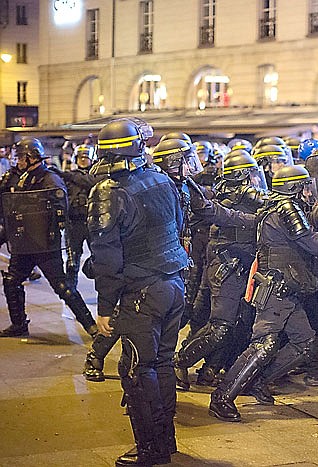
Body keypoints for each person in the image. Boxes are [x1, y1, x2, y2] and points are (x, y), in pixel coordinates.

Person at [208, 164, 318, 422]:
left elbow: (304, 225)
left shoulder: (278, 205)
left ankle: (258, 381)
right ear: (295, 187)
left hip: (286, 289)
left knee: (304, 342)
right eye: (305, 186)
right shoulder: (286, 208)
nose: (308, 191)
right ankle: (222, 396)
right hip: (277, 290)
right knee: (264, 343)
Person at [87, 119, 190, 466]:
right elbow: (177, 225)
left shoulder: (108, 191)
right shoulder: (161, 178)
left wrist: (104, 305)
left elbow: (106, 257)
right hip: (174, 283)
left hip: (142, 293)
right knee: (161, 364)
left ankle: (151, 450)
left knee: (135, 370)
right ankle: (166, 441)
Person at [173, 151, 265, 391]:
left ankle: (209, 369)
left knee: (234, 324)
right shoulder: (231, 199)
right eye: (252, 175)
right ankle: (179, 361)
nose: (256, 181)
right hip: (226, 269)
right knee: (220, 326)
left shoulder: (234, 196)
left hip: (235, 267)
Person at [0, 138, 98, 338]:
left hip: (44, 243)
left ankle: (92, 326)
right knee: (11, 281)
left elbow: (59, 205)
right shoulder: (19, 177)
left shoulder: (48, 178)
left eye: (21, 158)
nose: (18, 162)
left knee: (63, 287)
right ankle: (19, 324)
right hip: (23, 242)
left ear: (32, 157)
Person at [60, 144, 103, 289]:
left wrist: (71, 175)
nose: (83, 160)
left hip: (93, 223)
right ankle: (71, 291)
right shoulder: (69, 178)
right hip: (74, 223)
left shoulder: (97, 176)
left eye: (86, 157)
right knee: (72, 261)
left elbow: (90, 181)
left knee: (100, 259)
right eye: (80, 157)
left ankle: (104, 291)